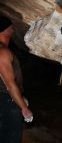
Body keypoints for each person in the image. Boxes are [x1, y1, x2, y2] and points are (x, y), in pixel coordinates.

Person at [0, 15, 33, 143]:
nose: (13, 29)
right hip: (6, 102)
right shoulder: (2, 52)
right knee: (10, 138)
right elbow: (9, 84)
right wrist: (23, 107)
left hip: (6, 99)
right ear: (3, 30)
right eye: (10, 26)